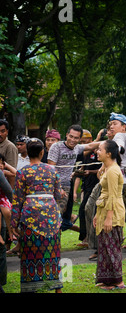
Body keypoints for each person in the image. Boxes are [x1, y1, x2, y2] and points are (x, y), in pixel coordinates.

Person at [11, 138, 63, 293]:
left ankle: (30, 288)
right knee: (53, 253)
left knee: (29, 254)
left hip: (30, 218)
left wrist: (14, 224)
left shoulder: (22, 172)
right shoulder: (53, 170)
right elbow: (58, 195)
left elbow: (17, 199)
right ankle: (57, 288)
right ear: (42, 153)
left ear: (28, 153)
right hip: (51, 218)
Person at [47, 124, 100, 231]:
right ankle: (48, 241)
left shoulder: (77, 148)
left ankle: (55, 242)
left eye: (76, 138)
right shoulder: (56, 147)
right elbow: (50, 170)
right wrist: (58, 188)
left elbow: (90, 146)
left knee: (58, 214)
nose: (73, 140)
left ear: (79, 139)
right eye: (71, 136)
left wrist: (110, 141)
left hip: (66, 186)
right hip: (52, 185)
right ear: (66, 135)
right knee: (49, 214)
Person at [93, 140, 126, 290]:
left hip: (112, 211)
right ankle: (108, 280)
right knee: (105, 246)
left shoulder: (113, 171)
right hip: (104, 209)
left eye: (100, 150)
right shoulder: (108, 168)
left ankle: (118, 281)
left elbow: (112, 195)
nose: (97, 152)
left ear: (109, 153)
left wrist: (108, 218)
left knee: (112, 247)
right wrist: (97, 216)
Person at [73, 130, 101, 247]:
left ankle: (90, 238)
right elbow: (80, 173)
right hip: (87, 185)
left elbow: (102, 168)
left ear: (91, 140)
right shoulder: (85, 154)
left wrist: (90, 171)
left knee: (88, 210)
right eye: (81, 141)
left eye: (85, 141)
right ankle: (86, 237)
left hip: (96, 185)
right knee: (84, 210)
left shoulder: (99, 152)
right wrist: (75, 191)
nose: (83, 143)